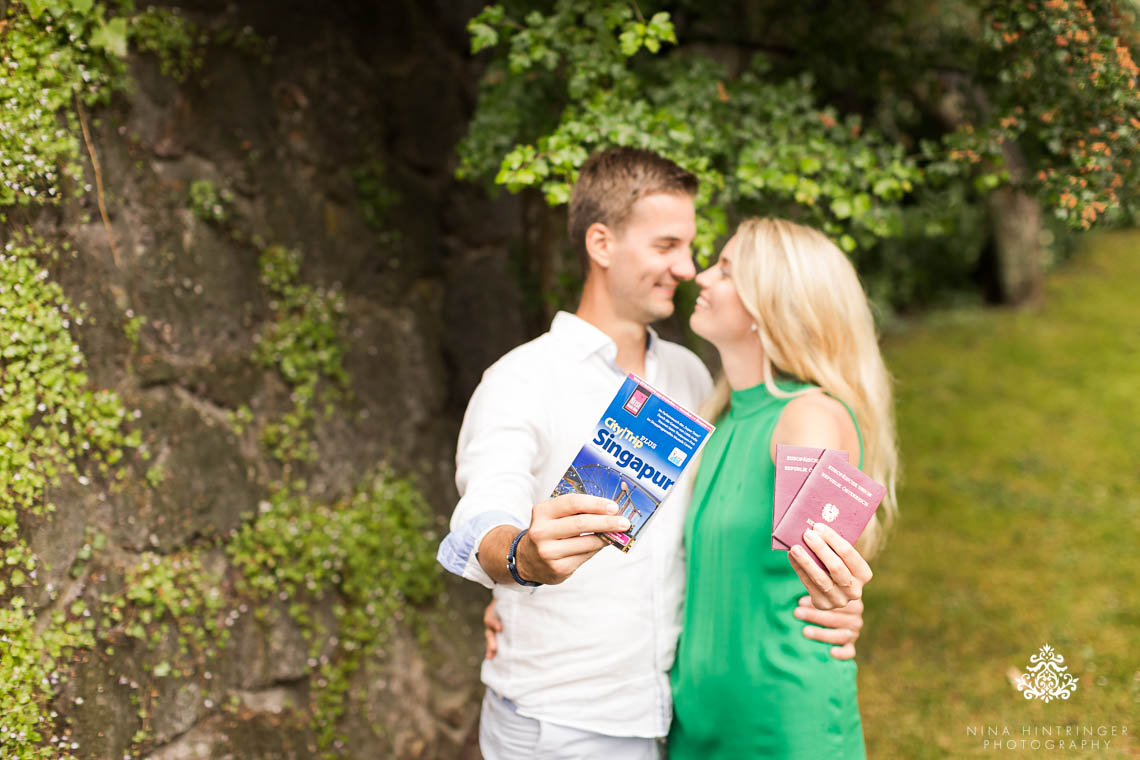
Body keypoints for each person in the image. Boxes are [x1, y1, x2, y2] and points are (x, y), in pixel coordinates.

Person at [438, 148, 867, 760]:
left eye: (694, 250)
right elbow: (485, 507)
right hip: (562, 721)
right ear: (602, 243)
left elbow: (776, 536)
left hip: (672, 717)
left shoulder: (694, 380)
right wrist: (518, 557)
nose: (688, 269)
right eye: (667, 246)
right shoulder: (523, 378)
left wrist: (838, 605)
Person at [668, 218, 899, 758]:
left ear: (769, 305)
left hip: (780, 720)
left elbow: (832, 571)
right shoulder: (722, 420)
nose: (701, 277)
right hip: (699, 720)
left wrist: (843, 597)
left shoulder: (806, 416)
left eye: (725, 270)